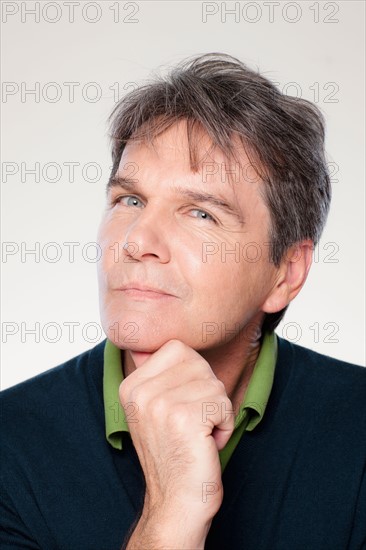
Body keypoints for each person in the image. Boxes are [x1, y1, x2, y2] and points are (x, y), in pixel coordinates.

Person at [1, 53, 365, 550]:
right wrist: (172, 513)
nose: (137, 240)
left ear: (286, 272)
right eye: (129, 200)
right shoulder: (9, 443)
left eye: (199, 213)